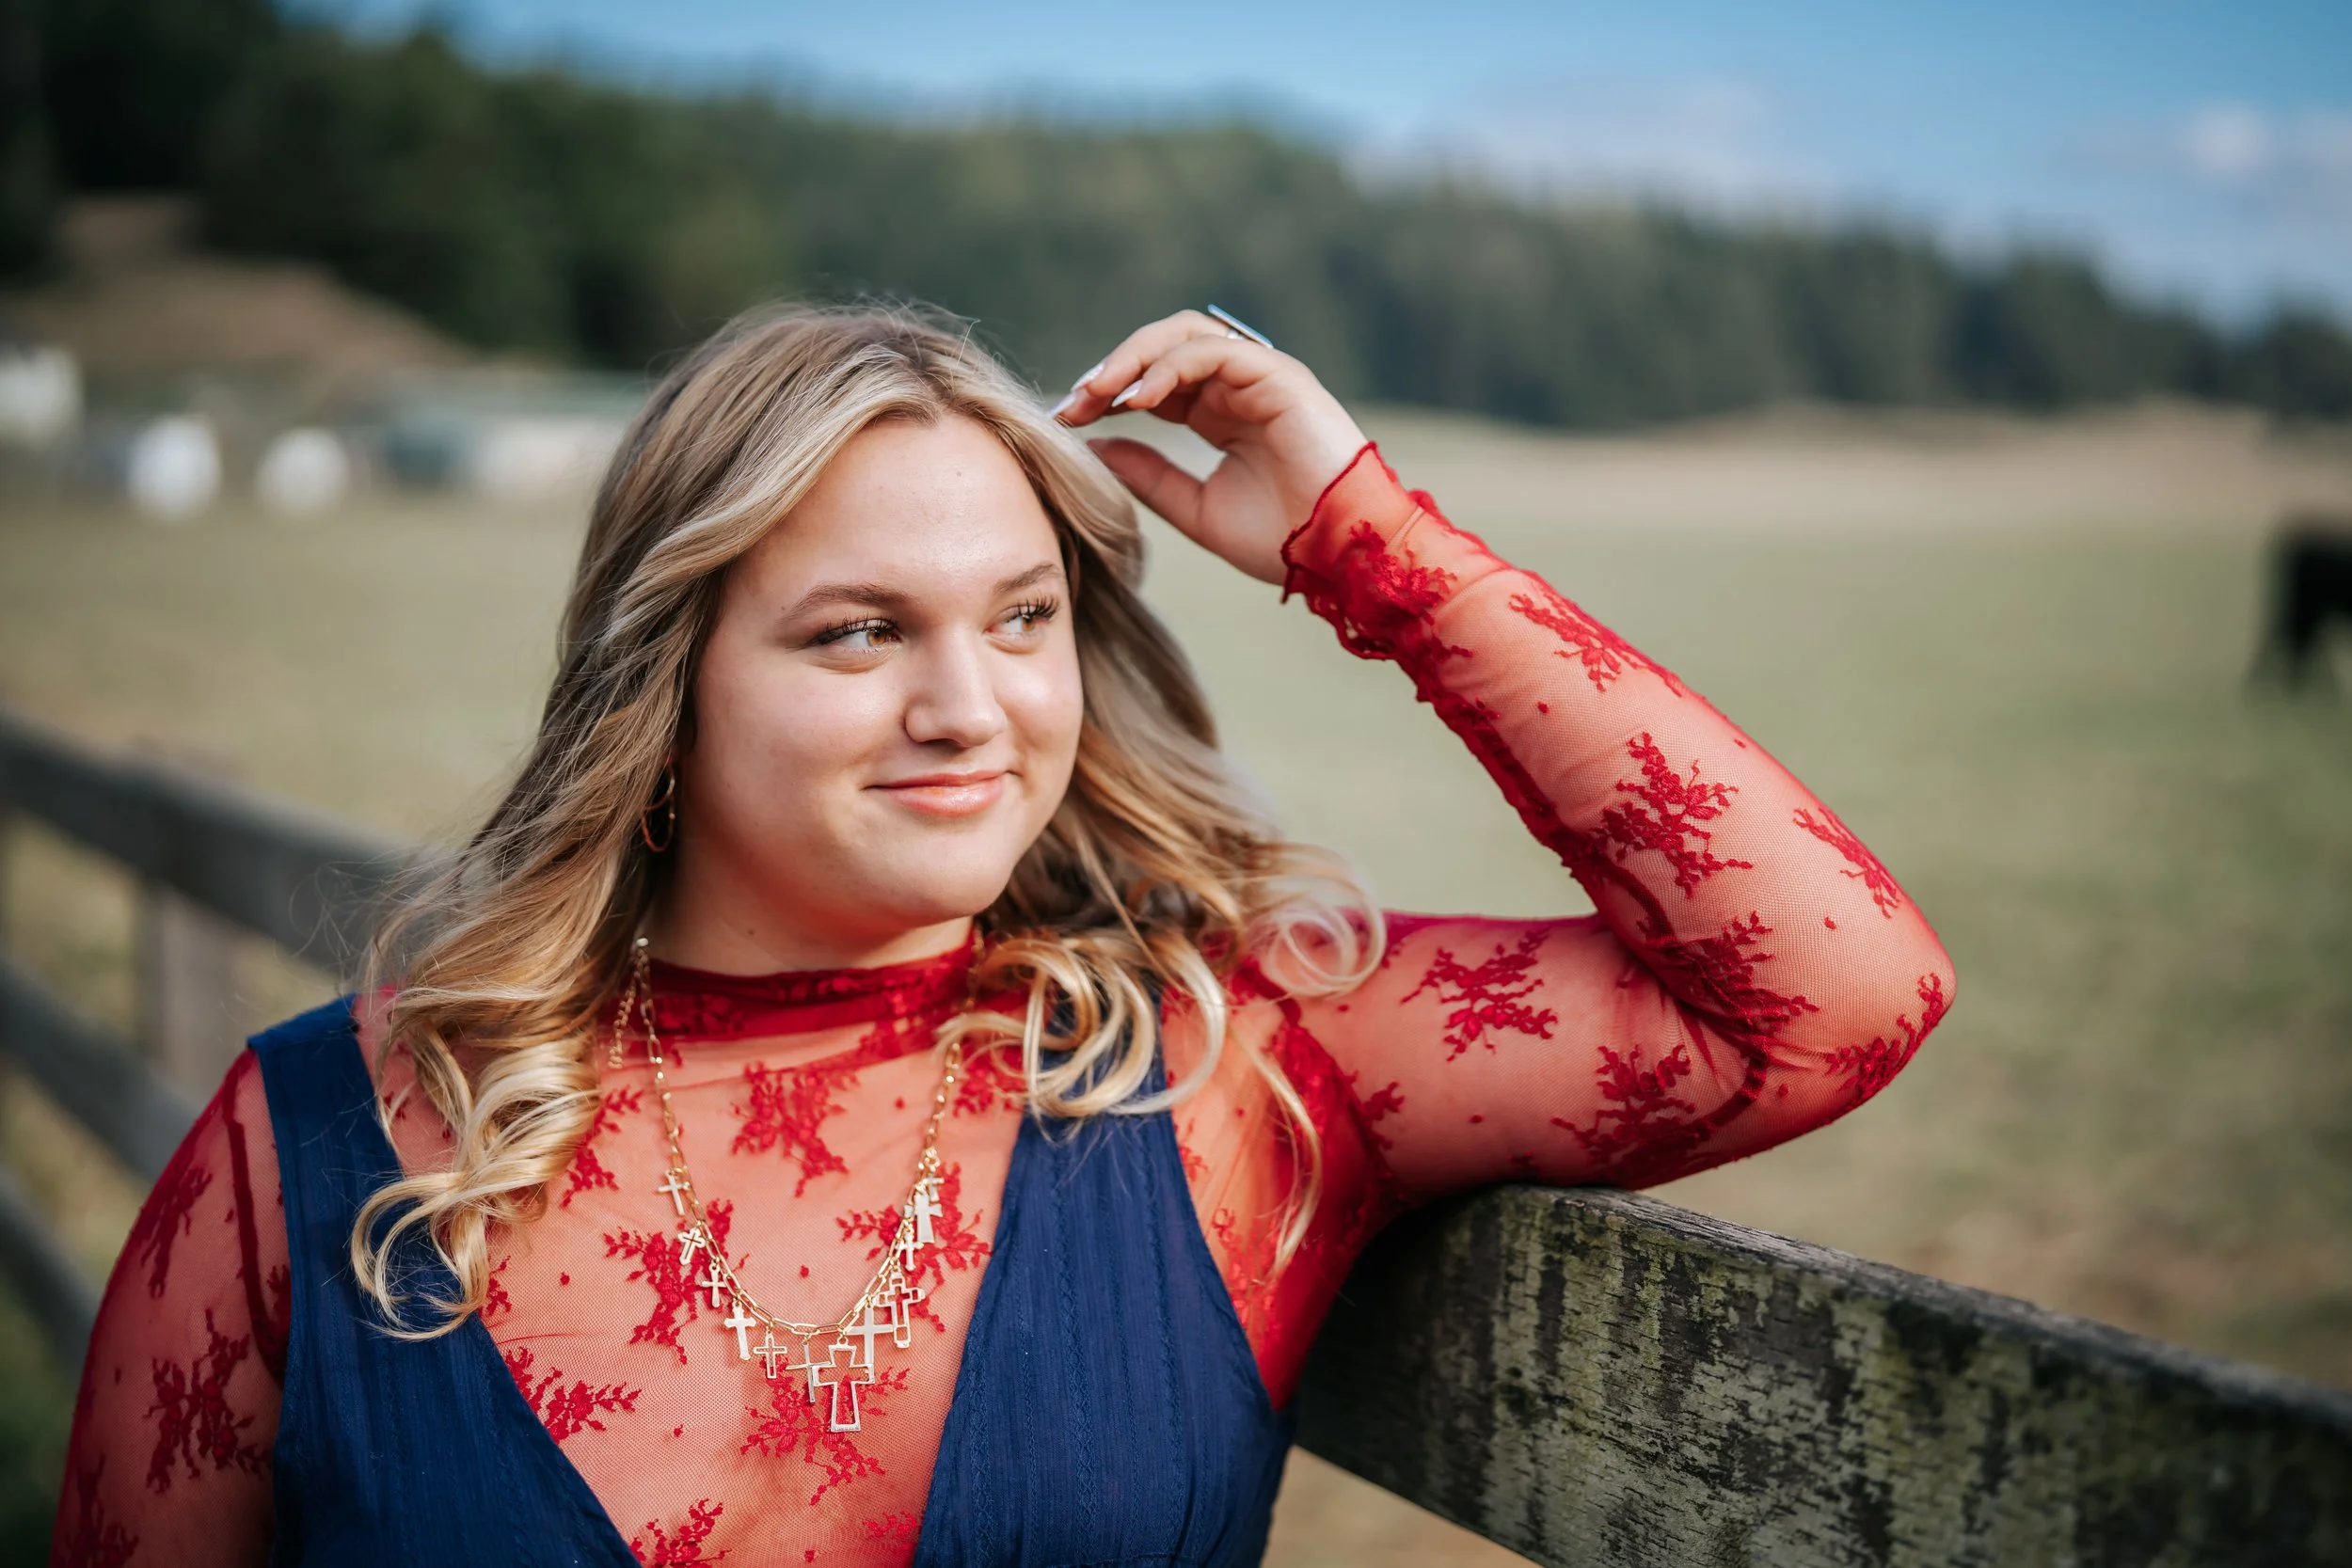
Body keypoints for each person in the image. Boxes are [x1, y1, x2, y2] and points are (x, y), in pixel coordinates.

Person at [51, 306, 1954, 1567]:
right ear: (669, 680)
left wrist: (1371, 547)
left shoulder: (1236, 1056)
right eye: (856, 629)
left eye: (1022, 615)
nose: (972, 705)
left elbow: (1831, 987)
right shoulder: (316, 1141)